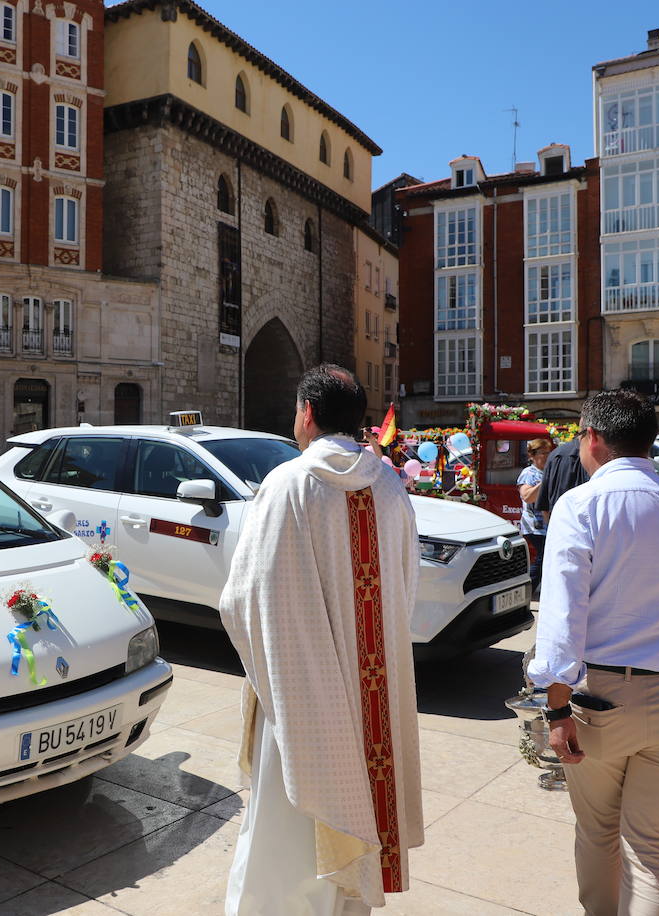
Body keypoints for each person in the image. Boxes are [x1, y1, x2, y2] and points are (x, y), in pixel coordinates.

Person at [221, 364, 424, 915]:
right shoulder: (388, 485)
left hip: (302, 701)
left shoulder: (287, 484)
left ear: (306, 414)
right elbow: (405, 588)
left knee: (283, 842)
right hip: (371, 699)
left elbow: (245, 599)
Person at [528, 389, 659, 915]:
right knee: (655, 855)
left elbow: (562, 616)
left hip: (607, 698)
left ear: (592, 437)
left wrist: (557, 706)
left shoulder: (583, 503)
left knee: (599, 834)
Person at [517, 438, 552, 597]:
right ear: (532, 455)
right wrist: (544, 483)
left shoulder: (548, 471)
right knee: (543, 557)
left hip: (548, 524)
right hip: (535, 525)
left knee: (545, 558)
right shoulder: (528, 473)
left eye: (548, 452)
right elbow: (526, 496)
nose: (546, 456)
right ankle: (527, 593)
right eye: (542, 453)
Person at [534, 432, 590, 528]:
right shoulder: (590, 454)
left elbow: (544, 505)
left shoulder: (554, 454)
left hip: (559, 523)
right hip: (581, 524)